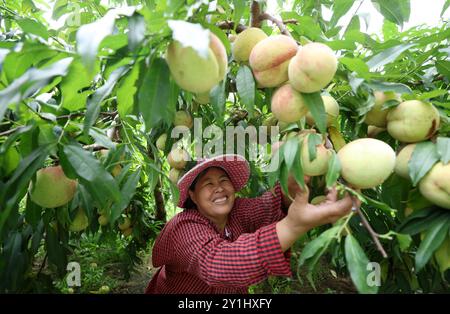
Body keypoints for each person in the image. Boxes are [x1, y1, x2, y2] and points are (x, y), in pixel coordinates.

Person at [145, 154, 355, 294]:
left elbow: (267, 205)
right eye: (208, 184)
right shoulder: (183, 228)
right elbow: (218, 264)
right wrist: (293, 226)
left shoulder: (237, 210)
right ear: (193, 196)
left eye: (224, 181)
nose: (218, 188)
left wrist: (292, 183)